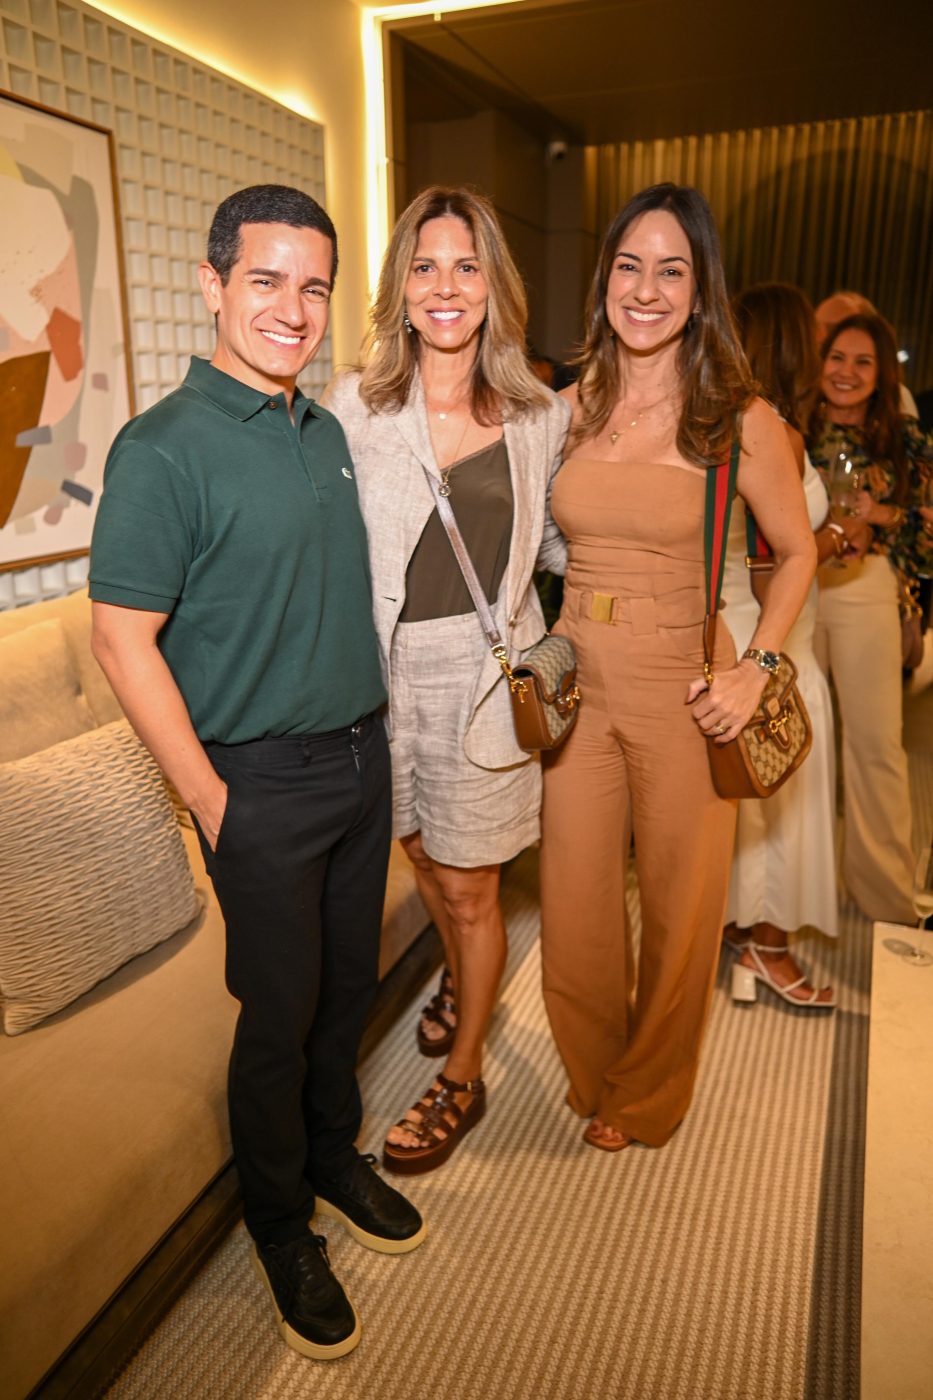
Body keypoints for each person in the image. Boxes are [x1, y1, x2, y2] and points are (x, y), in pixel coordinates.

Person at [88, 185, 424, 1363]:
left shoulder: (322, 429)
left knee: (346, 987)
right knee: (276, 1018)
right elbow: (123, 639)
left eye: (315, 285)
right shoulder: (162, 449)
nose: (294, 307)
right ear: (214, 284)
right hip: (258, 785)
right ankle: (279, 1223)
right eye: (268, 279)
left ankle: (335, 1158)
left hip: (357, 760)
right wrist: (214, 799)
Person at [539, 184, 816, 1153]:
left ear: (700, 292)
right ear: (604, 277)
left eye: (671, 270)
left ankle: (649, 1088)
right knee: (572, 903)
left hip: (685, 680)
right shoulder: (566, 408)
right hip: (577, 670)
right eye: (629, 265)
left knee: (680, 905)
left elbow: (798, 547)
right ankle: (590, 1066)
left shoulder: (738, 416)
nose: (646, 289)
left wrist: (761, 667)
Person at [324, 186, 569, 1174]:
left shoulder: (539, 412)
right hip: (381, 679)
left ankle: (462, 1074)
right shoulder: (355, 402)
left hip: (482, 679)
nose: (445, 285)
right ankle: (463, 984)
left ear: (493, 286)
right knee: (421, 855)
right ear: (400, 286)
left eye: (466, 265)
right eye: (425, 265)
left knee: (472, 890)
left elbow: (558, 539)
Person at [722, 284, 868, 1007]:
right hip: (771, 639)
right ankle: (767, 947)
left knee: (753, 802)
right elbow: (767, 557)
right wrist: (836, 535)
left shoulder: (735, 425)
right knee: (782, 797)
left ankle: (742, 931)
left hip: (746, 627)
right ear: (787, 350)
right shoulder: (771, 432)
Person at [807, 312, 933, 921]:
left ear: (882, 374)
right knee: (790, 742)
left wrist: (877, 514)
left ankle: (887, 899)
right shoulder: (789, 427)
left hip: (866, 589)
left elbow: (927, 528)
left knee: (876, 745)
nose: (847, 373)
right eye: (837, 358)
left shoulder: (904, 440)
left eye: (863, 362)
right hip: (794, 591)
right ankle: (785, 897)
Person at [814, 290, 919, 419]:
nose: (820, 337)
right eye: (816, 327)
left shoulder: (899, 414)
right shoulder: (800, 418)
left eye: (833, 328)